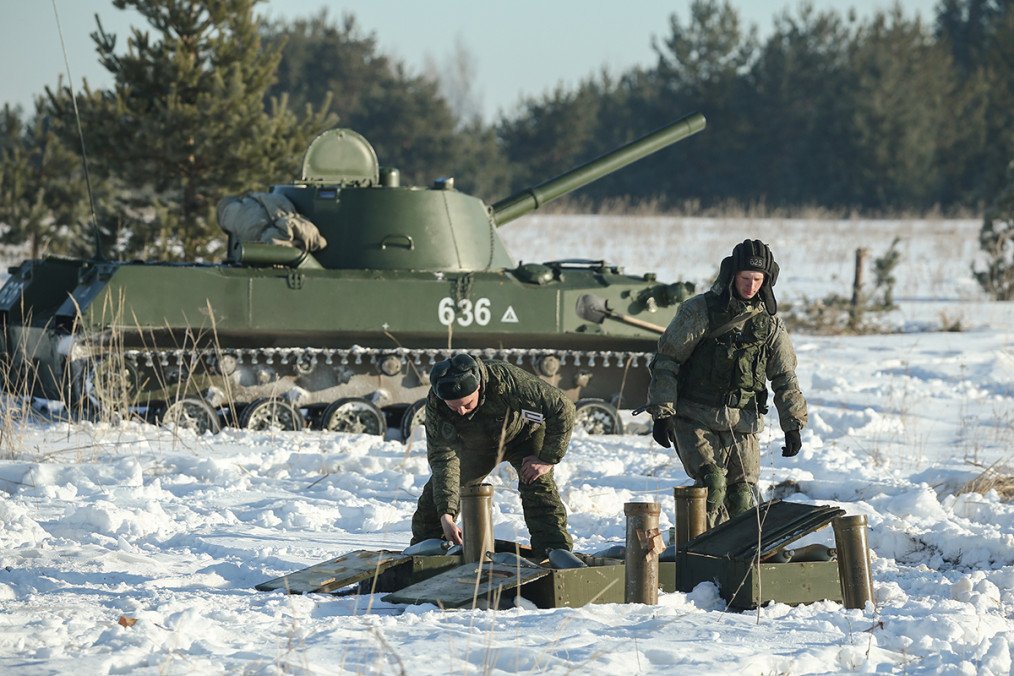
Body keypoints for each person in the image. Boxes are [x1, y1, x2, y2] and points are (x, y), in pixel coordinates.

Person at [646, 239, 807, 527]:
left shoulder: (770, 324)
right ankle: (695, 544)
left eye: (758, 279)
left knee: (743, 497)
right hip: (695, 415)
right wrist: (663, 413)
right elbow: (667, 361)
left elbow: (785, 376)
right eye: (745, 278)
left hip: (743, 421)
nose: (751, 286)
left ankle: (737, 550)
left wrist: (792, 424)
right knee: (712, 486)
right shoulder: (699, 311)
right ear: (731, 274)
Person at [410, 353, 575, 558]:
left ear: (479, 386)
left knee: (537, 485)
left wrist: (547, 458)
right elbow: (444, 458)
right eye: (453, 407)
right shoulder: (436, 403)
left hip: (523, 436)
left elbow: (562, 407)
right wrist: (446, 514)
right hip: (477, 447)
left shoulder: (505, 379)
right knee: (433, 502)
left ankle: (554, 553)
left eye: (467, 404)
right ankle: (426, 555)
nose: (461, 412)